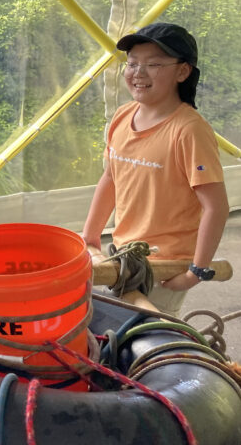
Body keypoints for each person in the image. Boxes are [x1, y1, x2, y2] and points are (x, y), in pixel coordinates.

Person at [82, 23, 229, 316]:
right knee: (111, 334)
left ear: (182, 72)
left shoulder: (189, 130)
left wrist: (195, 271)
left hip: (166, 266)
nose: (138, 72)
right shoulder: (123, 116)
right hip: (123, 254)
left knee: (143, 340)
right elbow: (111, 178)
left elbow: (216, 206)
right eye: (132, 63)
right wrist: (90, 238)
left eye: (153, 64)